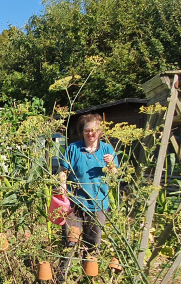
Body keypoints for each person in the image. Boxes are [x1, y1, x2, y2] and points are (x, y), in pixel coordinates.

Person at [57, 113, 118, 281]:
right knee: (69, 243)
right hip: (74, 205)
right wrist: (62, 186)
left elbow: (115, 177)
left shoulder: (107, 150)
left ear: (100, 131)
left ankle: (87, 278)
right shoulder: (73, 149)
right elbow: (63, 171)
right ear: (82, 132)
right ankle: (62, 277)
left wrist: (111, 164)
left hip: (97, 206)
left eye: (94, 130)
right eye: (87, 131)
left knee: (92, 247)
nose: (90, 134)